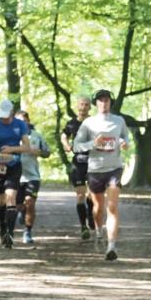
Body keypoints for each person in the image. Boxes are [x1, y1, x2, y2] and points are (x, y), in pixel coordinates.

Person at [72, 89, 131, 261]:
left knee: (112, 207)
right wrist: (92, 143)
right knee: (97, 209)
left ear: (110, 103)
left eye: (106, 100)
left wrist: (124, 143)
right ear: (95, 103)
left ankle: (111, 246)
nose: (104, 103)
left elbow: (126, 138)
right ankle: (99, 230)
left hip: (115, 168)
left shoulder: (119, 120)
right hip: (95, 170)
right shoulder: (88, 123)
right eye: (100, 101)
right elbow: (76, 146)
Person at [0, 99, 31, 248]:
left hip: (14, 165)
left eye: (6, 115)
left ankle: (10, 235)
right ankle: (3, 228)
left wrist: (12, 150)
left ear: (12, 112)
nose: (4, 118)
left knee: (11, 197)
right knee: (1, 200)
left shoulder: (20, 125)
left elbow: (26, 147)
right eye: (2, 115)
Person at [61, 96, 98, 241]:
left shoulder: (94, 122)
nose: (83, 107)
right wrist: (66, 145)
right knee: (80, 195)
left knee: (92, 194)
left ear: (90, 107)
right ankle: (83, 226)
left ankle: (90, 216)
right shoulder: (72, 123)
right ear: (77, 106)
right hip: (78, 162)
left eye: (86, 105)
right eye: (81, 104)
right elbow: (64, 136)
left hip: (94, 161)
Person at [16, 110, 51, 245]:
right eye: (19, 121)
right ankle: (21, 210)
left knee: (30, 202)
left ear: (28, 121)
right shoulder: (12, 136)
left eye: (24, 120)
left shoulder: (36, 136)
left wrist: (40, 152)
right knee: (18, 205)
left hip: (32, 176)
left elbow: (47, 152)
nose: (22, 123)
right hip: (15, 176)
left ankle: (28, 231)